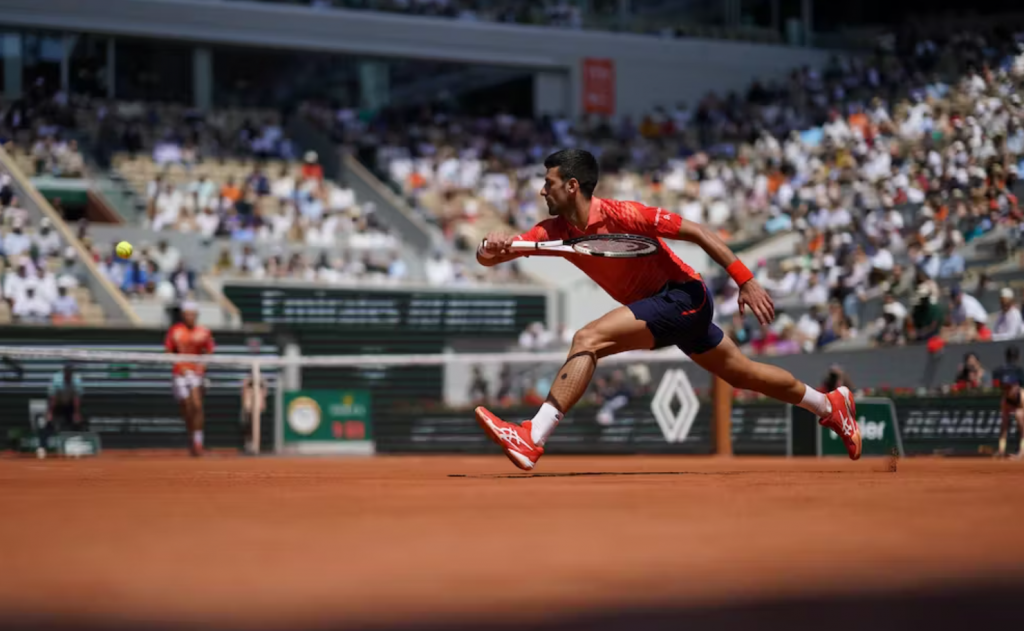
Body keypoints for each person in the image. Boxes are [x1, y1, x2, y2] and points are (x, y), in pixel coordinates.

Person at [474, 149, 860, 470]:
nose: (543, 190)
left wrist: (746, 279)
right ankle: (829, 404)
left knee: (588, 339)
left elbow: (699, 232)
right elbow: (494, 257)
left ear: (572, 186)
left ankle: (532, 436)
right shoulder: (553, 231)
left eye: (549, 183)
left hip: (685, 297)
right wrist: (490, 247)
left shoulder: (624, 214)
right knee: (744, 374)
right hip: (665, 310)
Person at [164, 301, 215, 456]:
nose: (190, 317)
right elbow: (168, 351)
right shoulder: (175, 331)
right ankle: (192, 437)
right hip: (179, 373)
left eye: (193, 314)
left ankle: (198, 442)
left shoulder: (204, 332)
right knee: (186, 407)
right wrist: (180, 365)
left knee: (197, 404)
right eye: (187, 314)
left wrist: (203, 366)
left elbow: (209, 350)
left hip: (196, 373)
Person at [39, 364, 84, 458]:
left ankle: (76, 448)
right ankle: (42, 448)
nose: (68, 375)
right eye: (67, 373)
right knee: (49, 424)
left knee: (76, 424)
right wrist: (50, 412)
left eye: (70, 373)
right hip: (56, 404)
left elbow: (76, 398)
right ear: (64, 373)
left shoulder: (77, 381)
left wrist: (76, 413)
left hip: (69, 404)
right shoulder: (57, 380)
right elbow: (53, 398)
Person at [991, 346, 1024, 459]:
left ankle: (1022, 452)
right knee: (1004, 424)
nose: (1008, 388)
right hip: (1009, 401)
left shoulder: (1022, 395)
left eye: (1011, 385)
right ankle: (1001, 450)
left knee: (1020, 419)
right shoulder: (1005, 398)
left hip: (1020, 401)